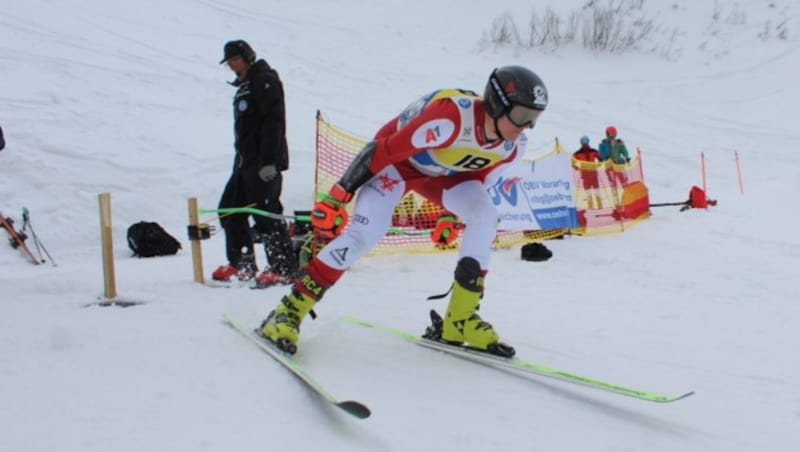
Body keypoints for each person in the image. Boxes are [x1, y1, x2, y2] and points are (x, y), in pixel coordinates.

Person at [258, 65, 549, 357]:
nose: (526, 127)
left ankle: (459, 320)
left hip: (445, 174)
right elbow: (382, 150)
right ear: (497, 103)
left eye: (533, 119)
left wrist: (449, 214)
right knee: (363, 236)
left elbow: (478, 178)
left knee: (485, 216)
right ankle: (288, 311)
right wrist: (338, 196)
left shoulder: (512, 146)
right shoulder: (450, 119)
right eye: (522, 116)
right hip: (397, 165)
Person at [212, 40, 297, 286]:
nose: (231, 65)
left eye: (234, 59)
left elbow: (274, 122)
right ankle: (242, 263)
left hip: (263, 163)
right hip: (244, 163)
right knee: (229, 210)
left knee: (265, 213)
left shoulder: (264, 79)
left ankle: (282, 267)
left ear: (247, 57)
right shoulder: (243, 86)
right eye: (228, 61)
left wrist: (269, 161)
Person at [572, 136, 602, 209]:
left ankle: (599, 206)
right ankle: (590, 206)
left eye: (586, 142)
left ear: (588, 142)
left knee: (596, 190)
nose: (585, 143)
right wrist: (576, 167)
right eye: (583, 142)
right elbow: (573, 161)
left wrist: (600, 163)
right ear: (581, 143)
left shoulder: (593, 151)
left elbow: (600, 157)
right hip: (585, 174)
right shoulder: (578, 153)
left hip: (593, 173)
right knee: (588, 191)